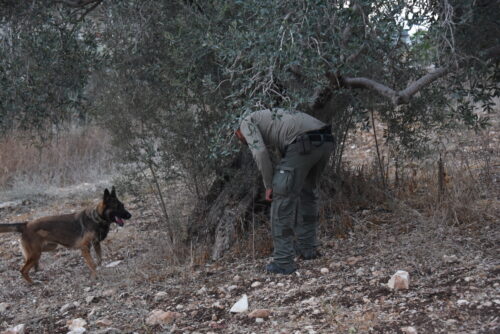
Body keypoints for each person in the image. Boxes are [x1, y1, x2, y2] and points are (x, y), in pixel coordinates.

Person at [235, 108, 334, 274]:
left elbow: (260, 153)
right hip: (326, 141)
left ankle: (283, 262)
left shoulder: (245, 123)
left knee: (281, 198)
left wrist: (269, 185)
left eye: (241, 139)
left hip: (304, 143)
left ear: (237, 131)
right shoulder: (271, 116)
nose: (242, 140)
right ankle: (307, 249)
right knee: (307, 194)